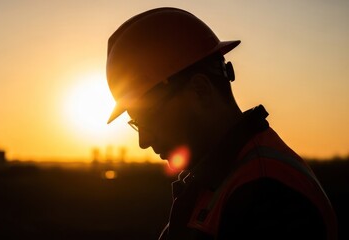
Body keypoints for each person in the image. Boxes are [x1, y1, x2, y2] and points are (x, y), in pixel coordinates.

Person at [105, 7, 338, 240]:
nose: (143, 141)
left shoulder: (269, 196)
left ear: (200, 90)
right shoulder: (217, 180)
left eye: (147, 118)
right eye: (136, 123)